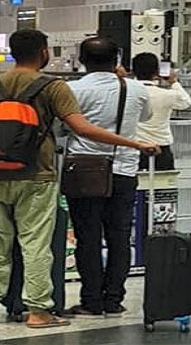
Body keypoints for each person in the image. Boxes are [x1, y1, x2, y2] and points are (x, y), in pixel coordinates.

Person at [0, 30, 158, 328]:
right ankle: (41, 310)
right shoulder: (54, 86)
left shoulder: (0, 81)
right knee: (40, 243)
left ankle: (88, 300)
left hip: (10, 173)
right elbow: (81, 127)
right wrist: (134, 144)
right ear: (44, 53)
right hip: (41, 173)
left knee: (2, 243)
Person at [64, 38, 155, 317]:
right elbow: (146, 116)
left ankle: (91, 300)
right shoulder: (136, 89)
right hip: (125, 170)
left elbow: (62, 124)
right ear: (117, 59)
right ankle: (114, 299)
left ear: (82, 59)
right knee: (119, 238)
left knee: (88, 237)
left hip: (85, 171)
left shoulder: (73, 89)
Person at [132, 53, 191, 171]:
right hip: (161, 146)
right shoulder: (167, 95)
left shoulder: (128, 92)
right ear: (157, 72)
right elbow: (186, 102)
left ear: (133, 71)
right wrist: (173, 82)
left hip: (134, 146)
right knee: (164, 185)